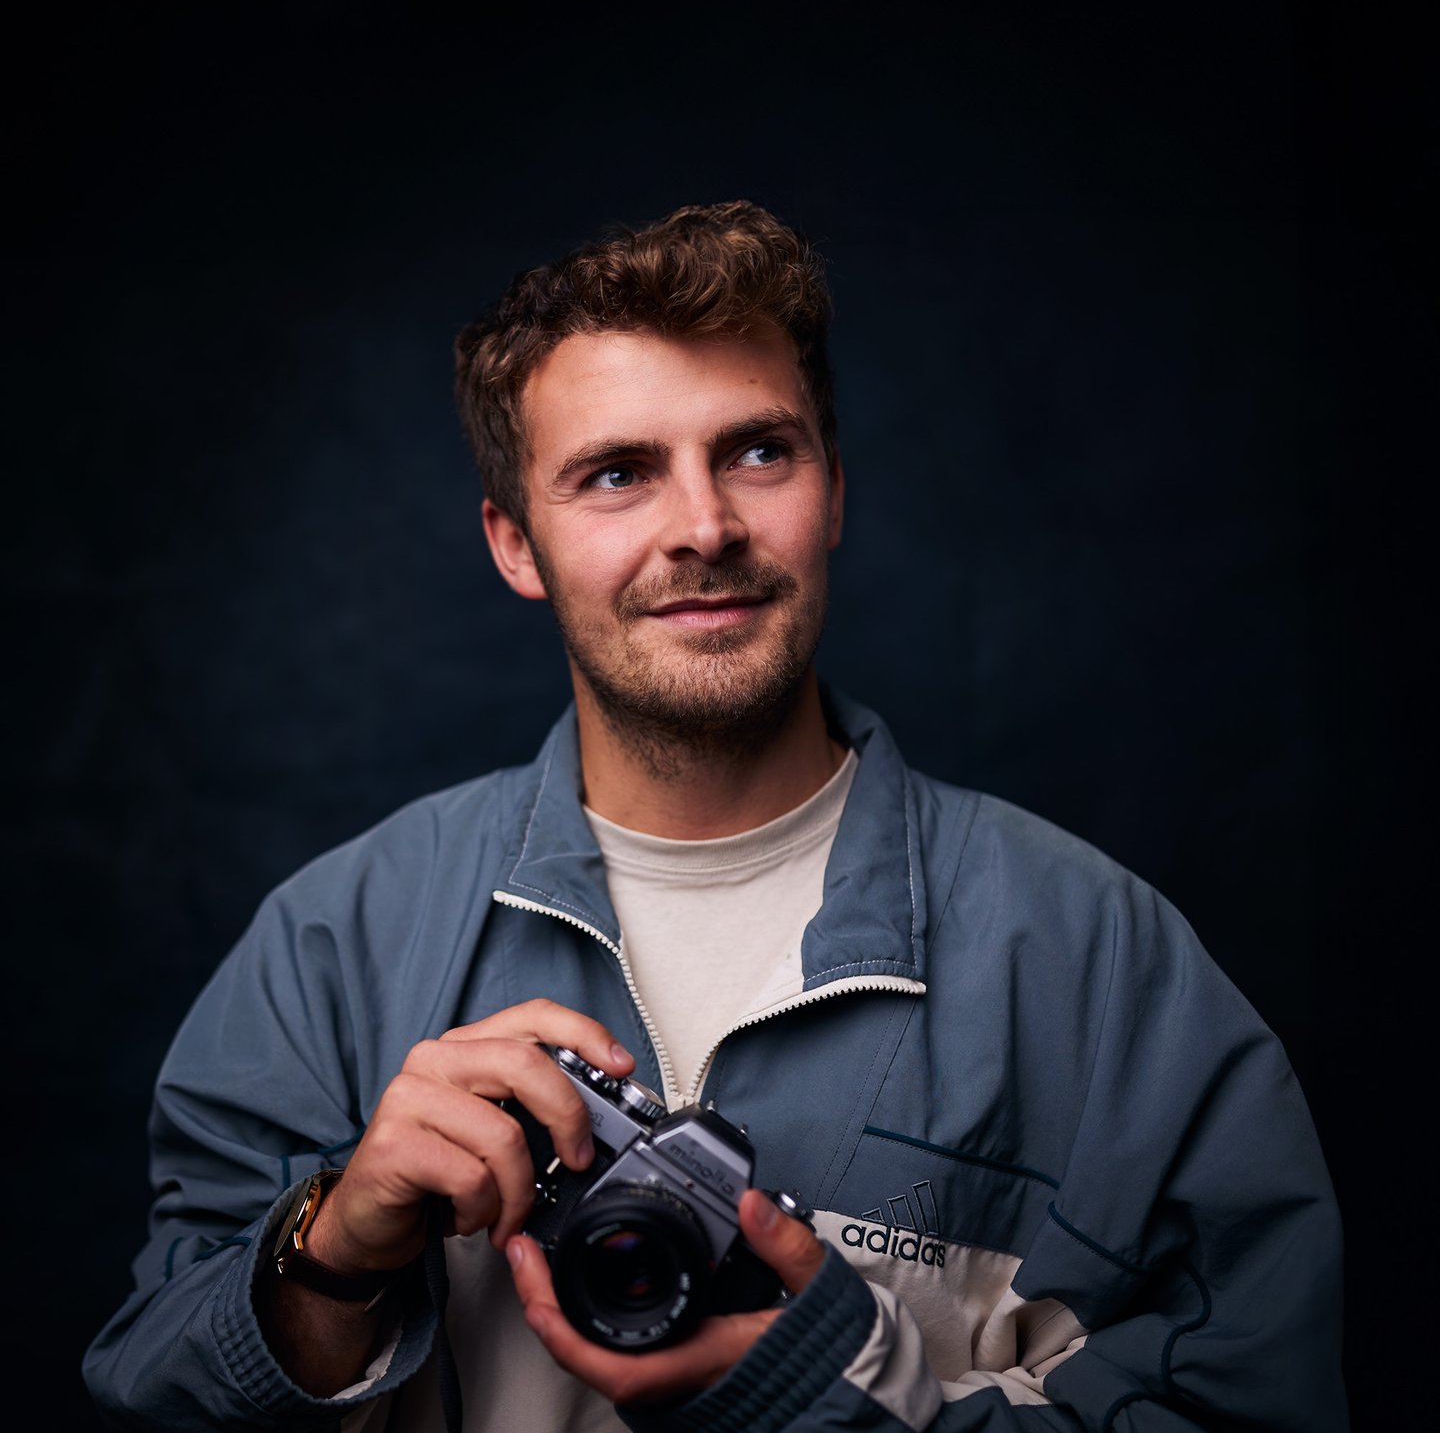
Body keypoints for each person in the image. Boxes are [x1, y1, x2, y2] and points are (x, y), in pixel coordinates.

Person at [83, 201, 1347, 1432]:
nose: (704, 527)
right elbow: (154, 1386)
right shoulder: (334, 947)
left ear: (833, 490)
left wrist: (832, 1398)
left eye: (757, 452)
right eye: (617, 473)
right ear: (515, 545)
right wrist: (331, 1254)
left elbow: (1247, 1403)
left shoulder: (1102, 966)